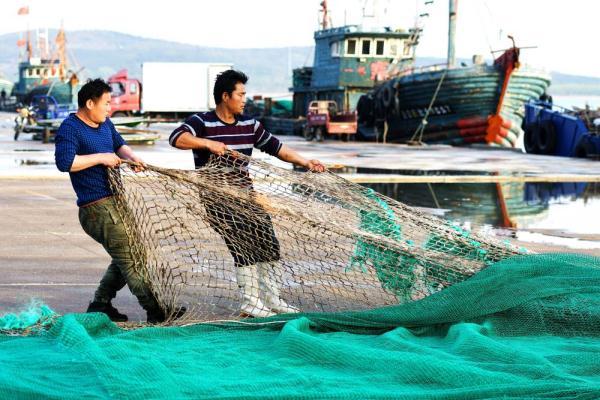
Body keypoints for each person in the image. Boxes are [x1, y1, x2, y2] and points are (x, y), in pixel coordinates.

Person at [169, 70, 326, 318]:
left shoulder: (249, 125)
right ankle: (251, 303)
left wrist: (306, 162)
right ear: (225, 96)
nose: (244, 100)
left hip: (246, 195)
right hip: (216, 197)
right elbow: (176, 138)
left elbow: (278, 149)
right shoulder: (202, 122)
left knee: (268, 241)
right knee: (243, 245)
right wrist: (207, 144)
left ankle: (273, 299)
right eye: (240, 95)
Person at [55, 78, 177, 323]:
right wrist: (101, 157)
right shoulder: (70, 128)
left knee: (129, 255)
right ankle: (157, 312)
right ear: (90, 103)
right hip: (97, 208)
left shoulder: (104, 123)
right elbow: (65, 163)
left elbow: (119, 145)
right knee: (131, 260)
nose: (110, 108)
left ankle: (100, 304)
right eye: (106, 103)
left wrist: (133, 158)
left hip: (116, 202)